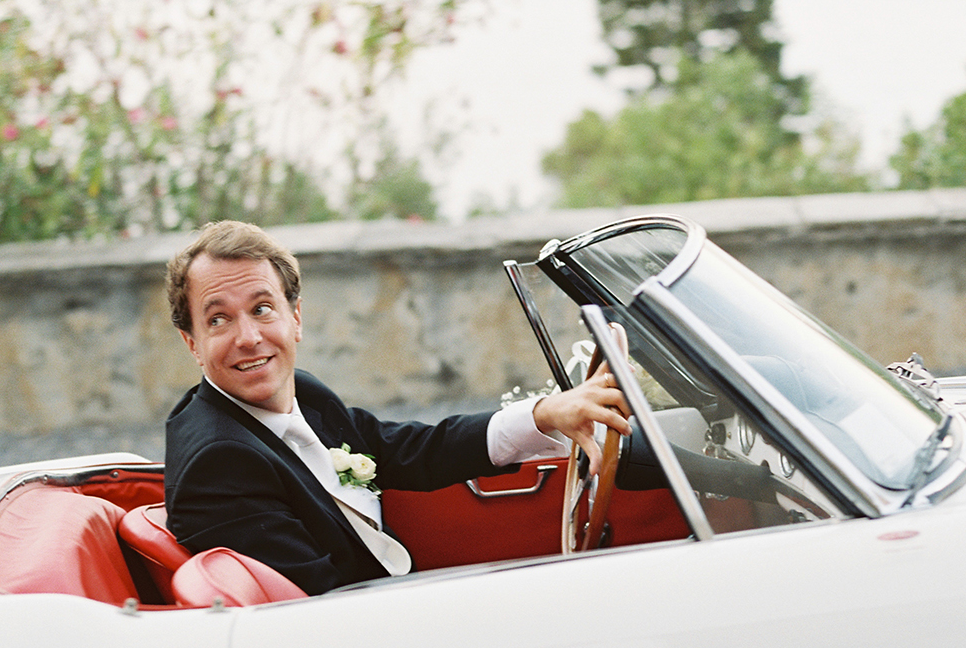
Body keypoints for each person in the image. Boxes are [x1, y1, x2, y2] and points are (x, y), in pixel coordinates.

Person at [163, 220, 630, 595]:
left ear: (295, 318)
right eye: (219, 319)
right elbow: (315, 609)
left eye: (262, 308)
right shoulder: (218, 463)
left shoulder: (304, 393)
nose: (248, 337)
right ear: (192, 344)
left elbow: (410, 450)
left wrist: (543, 414)